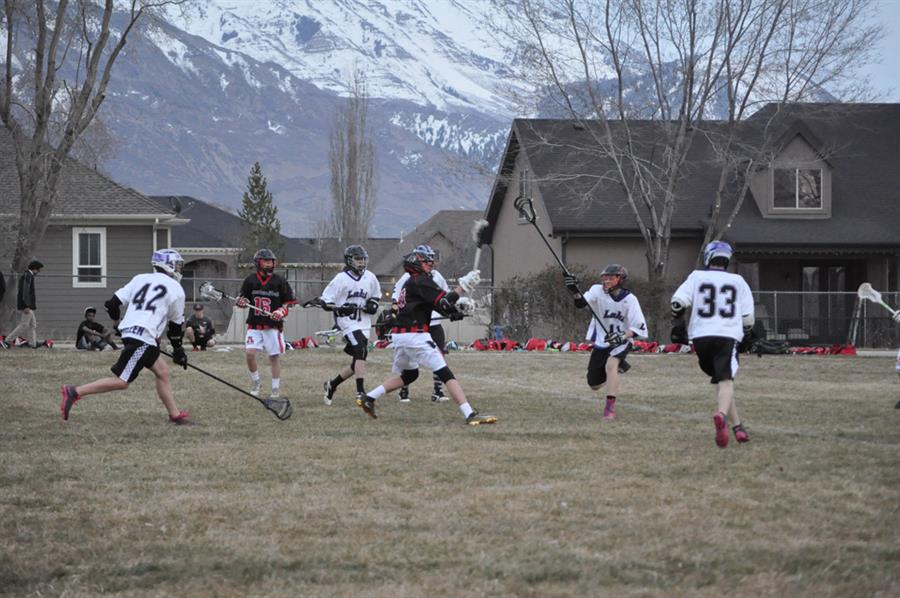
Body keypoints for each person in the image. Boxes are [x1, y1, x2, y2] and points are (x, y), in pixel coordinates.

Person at [356, 248, 496, 426]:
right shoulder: (421, 280)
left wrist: (457, 311)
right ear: (415, 264)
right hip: (415, 335)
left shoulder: (412, 282)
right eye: (425, 262)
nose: (430, 264)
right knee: (444, 372)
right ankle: (469, 414)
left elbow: (440, 307)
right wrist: (463, 287)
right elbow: (444, 302)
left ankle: (369, 397)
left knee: (410, 375)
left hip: (401, 336)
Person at [60, 249, 192, 424]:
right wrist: (178, 350)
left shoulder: (140, 278)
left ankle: (175, 415)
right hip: (143, 338)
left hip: (135, 334)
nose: (180, 269)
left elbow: (111, 304)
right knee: (122, 382)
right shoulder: (176, 288)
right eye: (178, 265)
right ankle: (75, 391)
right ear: (169, 265)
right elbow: (175, 327)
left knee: (162, 371)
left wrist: (117, 323)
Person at [671, 240, 755, 448]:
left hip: (701, 338)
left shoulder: (696, 277)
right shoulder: (738, 281)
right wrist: (747, 336)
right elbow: (748, 319)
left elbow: (677, 303)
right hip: (726, 336)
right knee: (726, 381)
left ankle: (738, 428)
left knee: (722, 381)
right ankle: (721, 416)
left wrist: (678, 325)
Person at [564, 264, 647, 421]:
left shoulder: (630, 300)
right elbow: (581, 303)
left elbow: (639, 327)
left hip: (621, 341)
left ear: (620, 279)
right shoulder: (597, 290)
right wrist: (575, 291)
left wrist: (621, 336)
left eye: (610, 278)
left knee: (611, 365)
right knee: (594, 385)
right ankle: (617, 370)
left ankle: (609, 409)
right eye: (604, 278)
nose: (606, 281)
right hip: (602, 341)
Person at [319, 245, 383, 406]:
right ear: (349, 260)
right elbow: (326, 301)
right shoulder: (341, 279)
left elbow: (376, 295)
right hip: (347, 322)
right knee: (361, 350)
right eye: (357, 259)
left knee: (357, 362)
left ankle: (332, 384)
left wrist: (373, 304)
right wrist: (341, 308)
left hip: (364, 323)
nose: (361, 262)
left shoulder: (370, 277)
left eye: (363, 259)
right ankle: (360, 392)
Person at [391, 244, 451, 403]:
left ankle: (438, 390)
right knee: (411, 358)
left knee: (440, 354)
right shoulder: (410, 277)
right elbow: (396, 297)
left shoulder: (437, 276)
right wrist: (395, 312)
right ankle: (404, 389)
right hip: (415, 323)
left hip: (434, 321)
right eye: (426, 259)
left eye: (431, 259)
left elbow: (445, 296)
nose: (430, 262)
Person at [236, 248, 297, 399]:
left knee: (274, 356)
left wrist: (281, 311)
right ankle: (256, 381)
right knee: (250, 354)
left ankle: (275, 388)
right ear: (258, 263)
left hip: (272, 326)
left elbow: (289, 303)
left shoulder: (280, 281)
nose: (269, 264)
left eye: (271, 261)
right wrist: (241, 302)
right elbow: (244, 299)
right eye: (266, 261)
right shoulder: (250, 280)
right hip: (255, 324)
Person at [8, 260, 49, 348]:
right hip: (26, 306)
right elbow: (25, 291)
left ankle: (32, 344)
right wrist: (26, 305)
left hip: (28, 306)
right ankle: (8, 340)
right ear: (35, 268)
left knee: (32, 324)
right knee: (24, 324)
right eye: (39, 269)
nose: (39, 271)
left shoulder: (28, 275)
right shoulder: (28, 276)